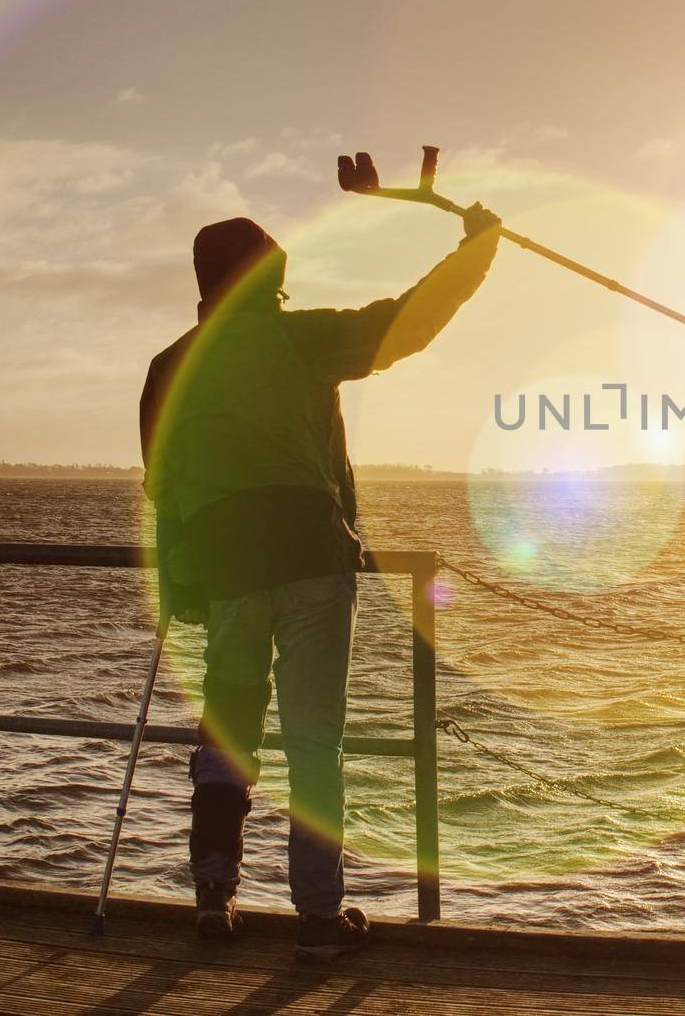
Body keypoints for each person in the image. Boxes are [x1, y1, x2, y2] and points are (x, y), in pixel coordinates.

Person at [139, 202, 501, 959]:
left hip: (228, 566)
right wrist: (478, 248)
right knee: (315, 742)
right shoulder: (299, 340)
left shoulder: (169, 366)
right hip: (310, 558)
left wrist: (189, 571)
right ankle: (317, 918)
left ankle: (213, 892)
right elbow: (408, 321)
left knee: (228, 729)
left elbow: (161, 483)